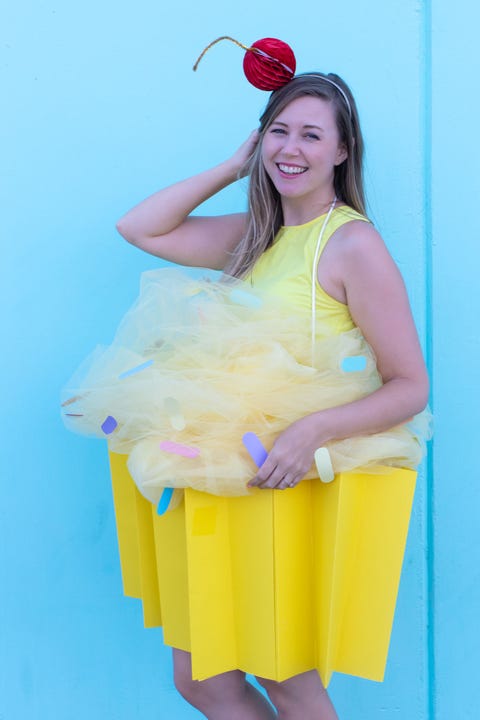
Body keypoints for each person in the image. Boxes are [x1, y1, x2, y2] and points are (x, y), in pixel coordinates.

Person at [111, 71, 429, 719]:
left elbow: (411, 386)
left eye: (313, 135)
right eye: (279, 132)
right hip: (223, 478)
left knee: (286, 678)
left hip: (284, 482)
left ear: (343, 151)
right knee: (200, 677)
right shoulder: (254, 235)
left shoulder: (351, 244)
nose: (293, 148)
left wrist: (311, 431)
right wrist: (235, 165)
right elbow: (141, 228)